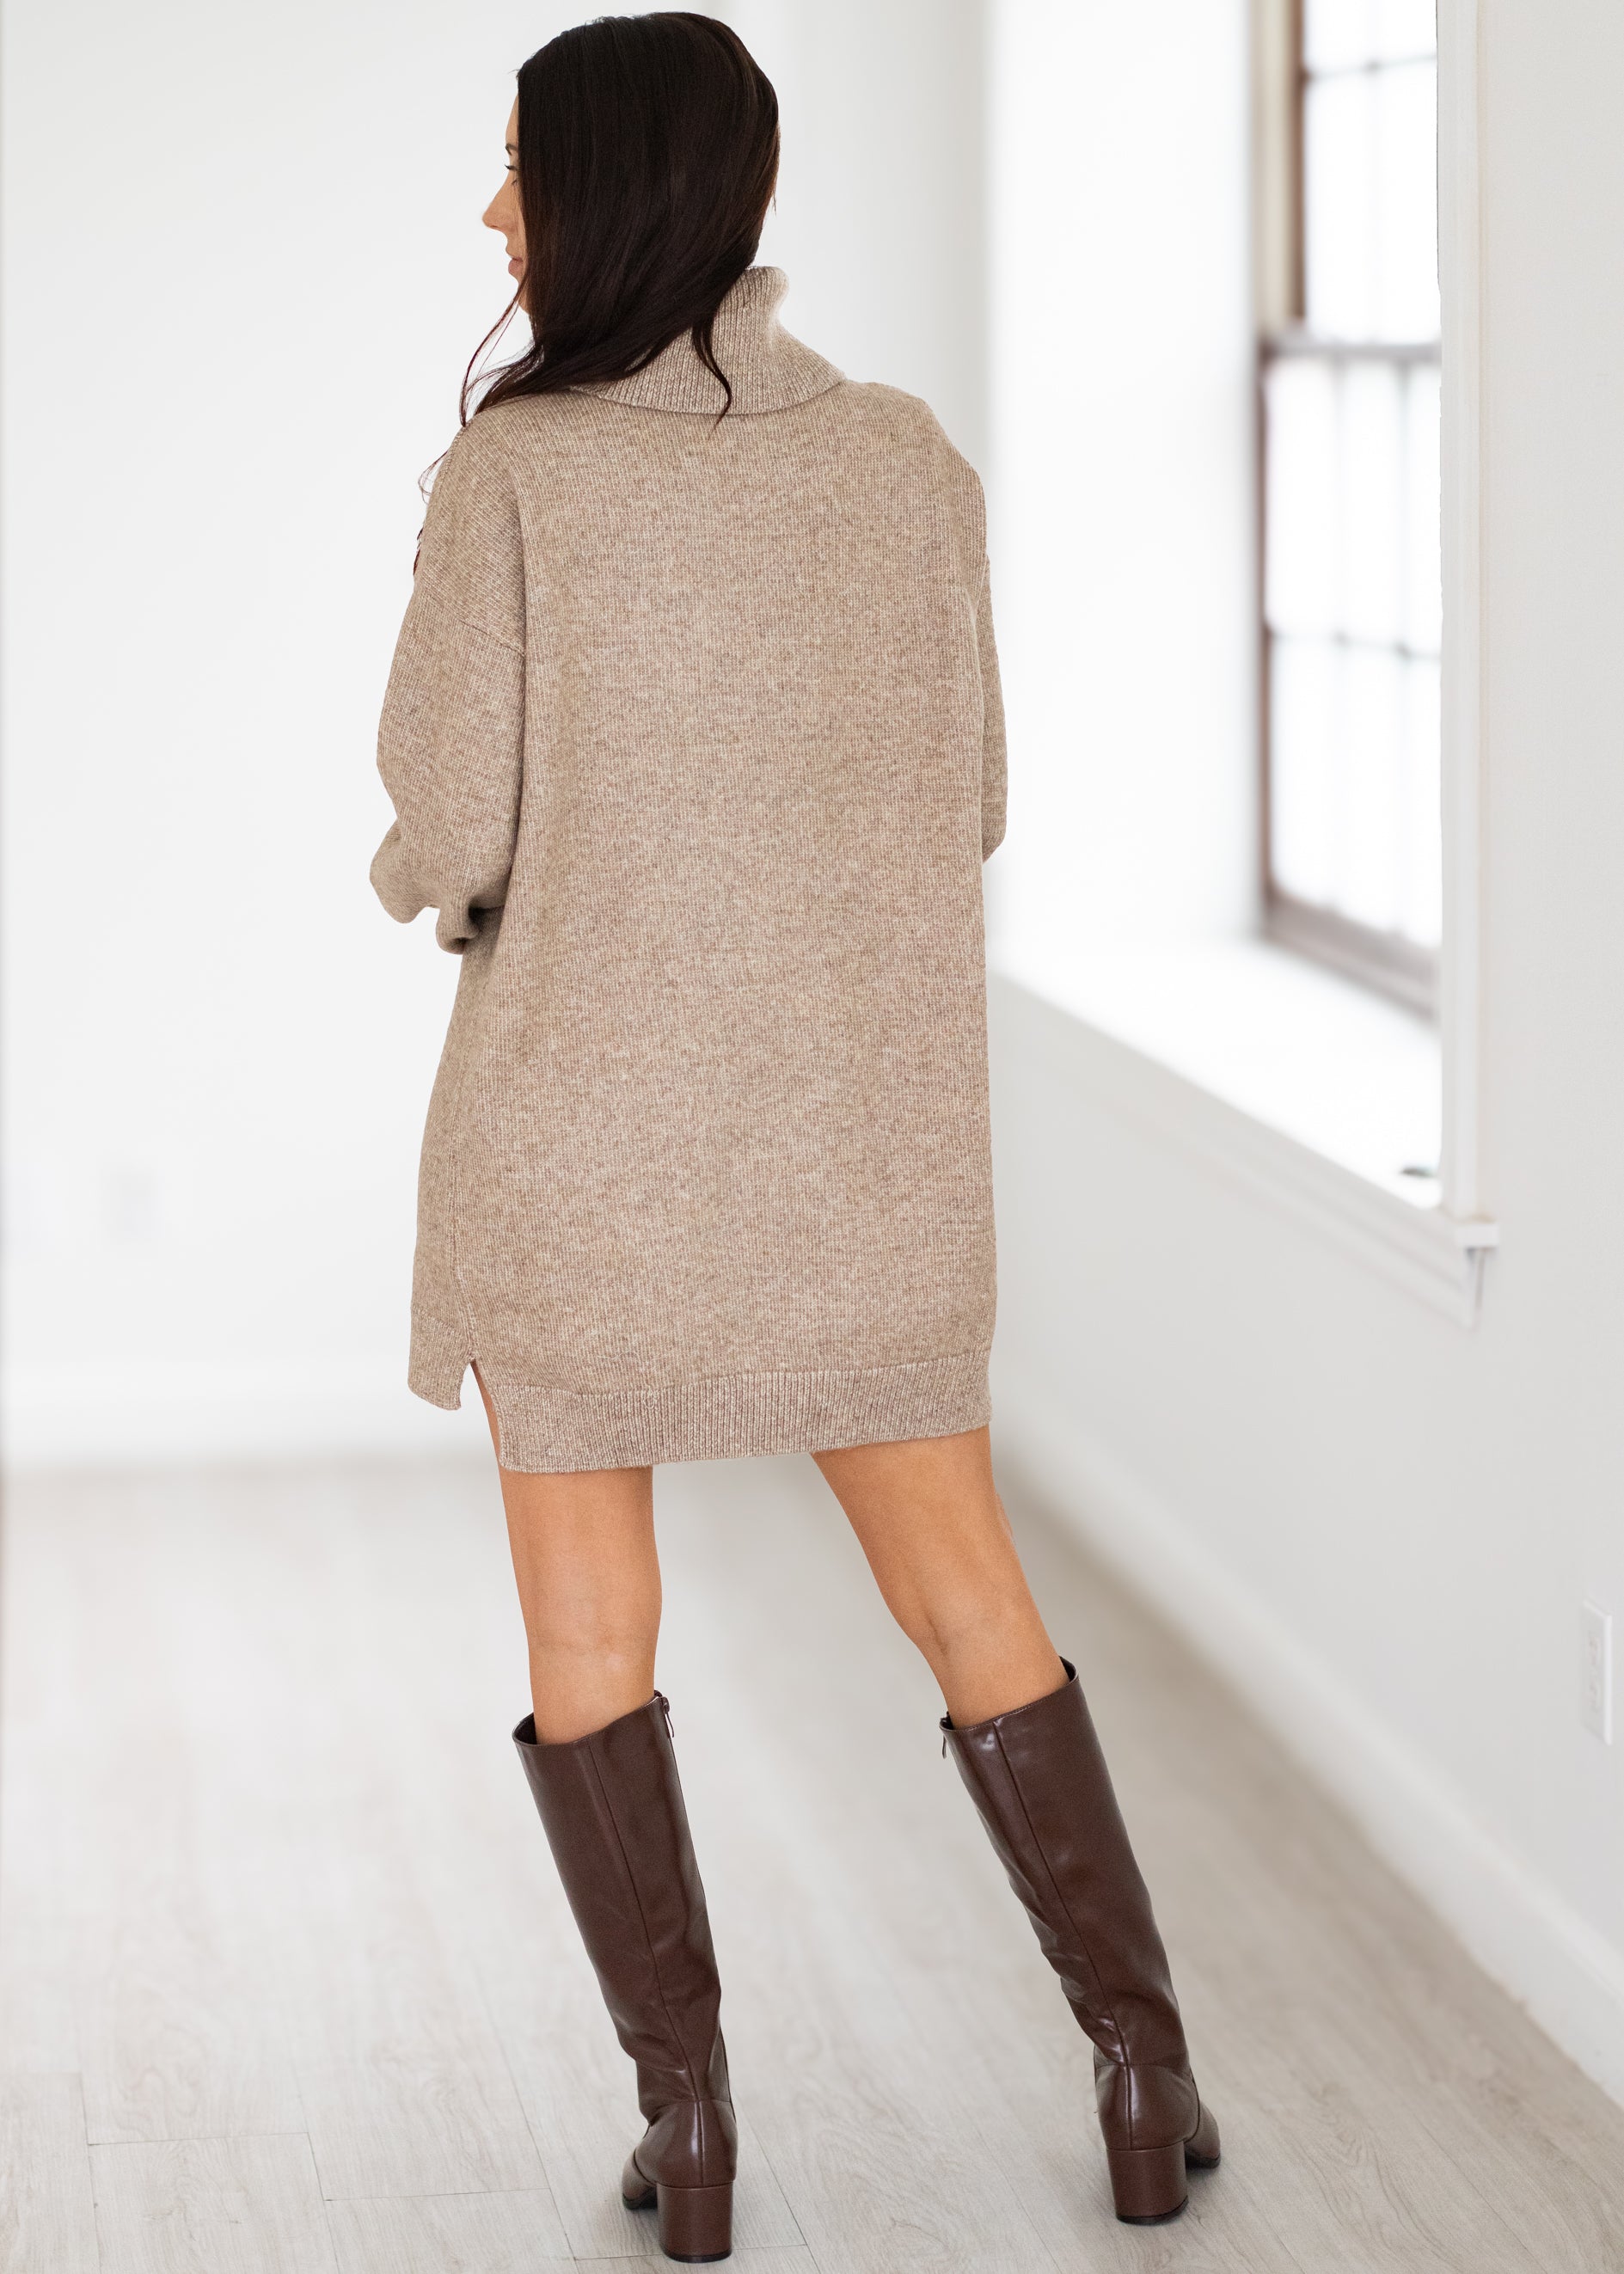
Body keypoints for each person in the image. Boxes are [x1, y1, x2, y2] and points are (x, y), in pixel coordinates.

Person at [371, 13, 1217, 2260]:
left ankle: (696, 2132)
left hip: (578, 1158)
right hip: (864, 1156)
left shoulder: (515, 478)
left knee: (589, 1633)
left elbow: (450, 826)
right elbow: (972, 800)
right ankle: (1144, 2067)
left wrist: (466, 884)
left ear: (609, 190)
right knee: (970, 1600)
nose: (491, 211)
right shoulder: (907, 460)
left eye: (519, 167)